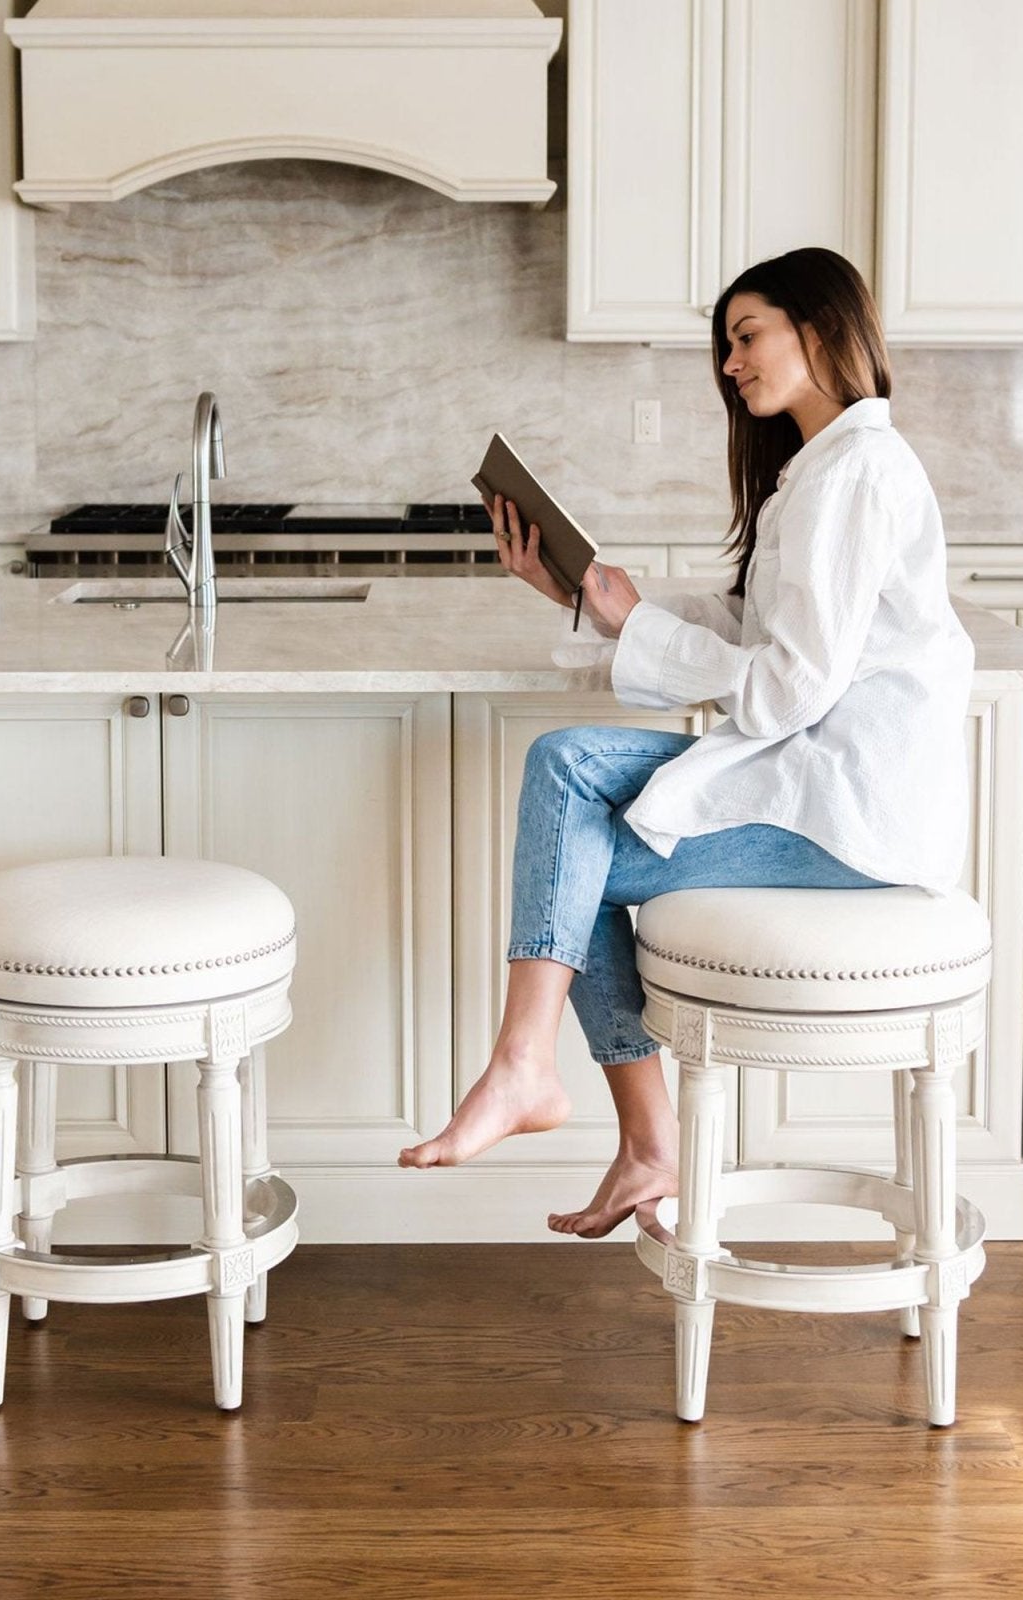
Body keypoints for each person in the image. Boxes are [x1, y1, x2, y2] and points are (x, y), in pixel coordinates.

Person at [397, 246, 975, 1239]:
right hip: (805, 778)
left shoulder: (860, 472)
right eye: (727, 344)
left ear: (822, 330)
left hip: (847, 815)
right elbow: (759, 629)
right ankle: (612, 1123)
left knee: (571, 832)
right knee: (566, 784)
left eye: (747, 336)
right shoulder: (820, 470)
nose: (730, 363)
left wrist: (634, 626)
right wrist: (599, 600)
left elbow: (790, 685)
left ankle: (550, 1083)